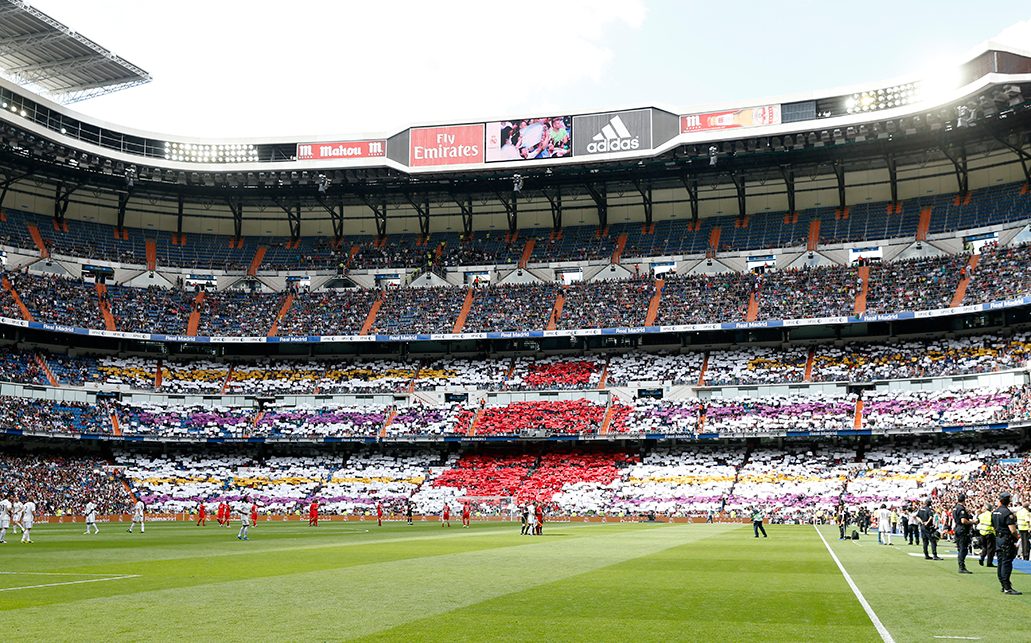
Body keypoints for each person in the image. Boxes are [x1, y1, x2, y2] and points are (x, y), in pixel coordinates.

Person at [991, 492, 1021, 595]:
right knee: (1006, 563)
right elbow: (1012, 530)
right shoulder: (1007, 513)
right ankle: (1007, 586)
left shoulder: (994, 512)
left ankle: (1003, 585)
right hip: (1006, 539)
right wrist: (1016, 537)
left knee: (1000, 562)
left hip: (998, 539)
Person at [952, 493, 974, 574]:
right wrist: (972, 522)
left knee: (960, 548)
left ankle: (961, 565)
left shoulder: (955, 508)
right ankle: (961, 567)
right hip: (962, 530)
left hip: (957, 528)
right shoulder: (961, 508)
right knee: (963, 549)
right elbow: (963, 521)